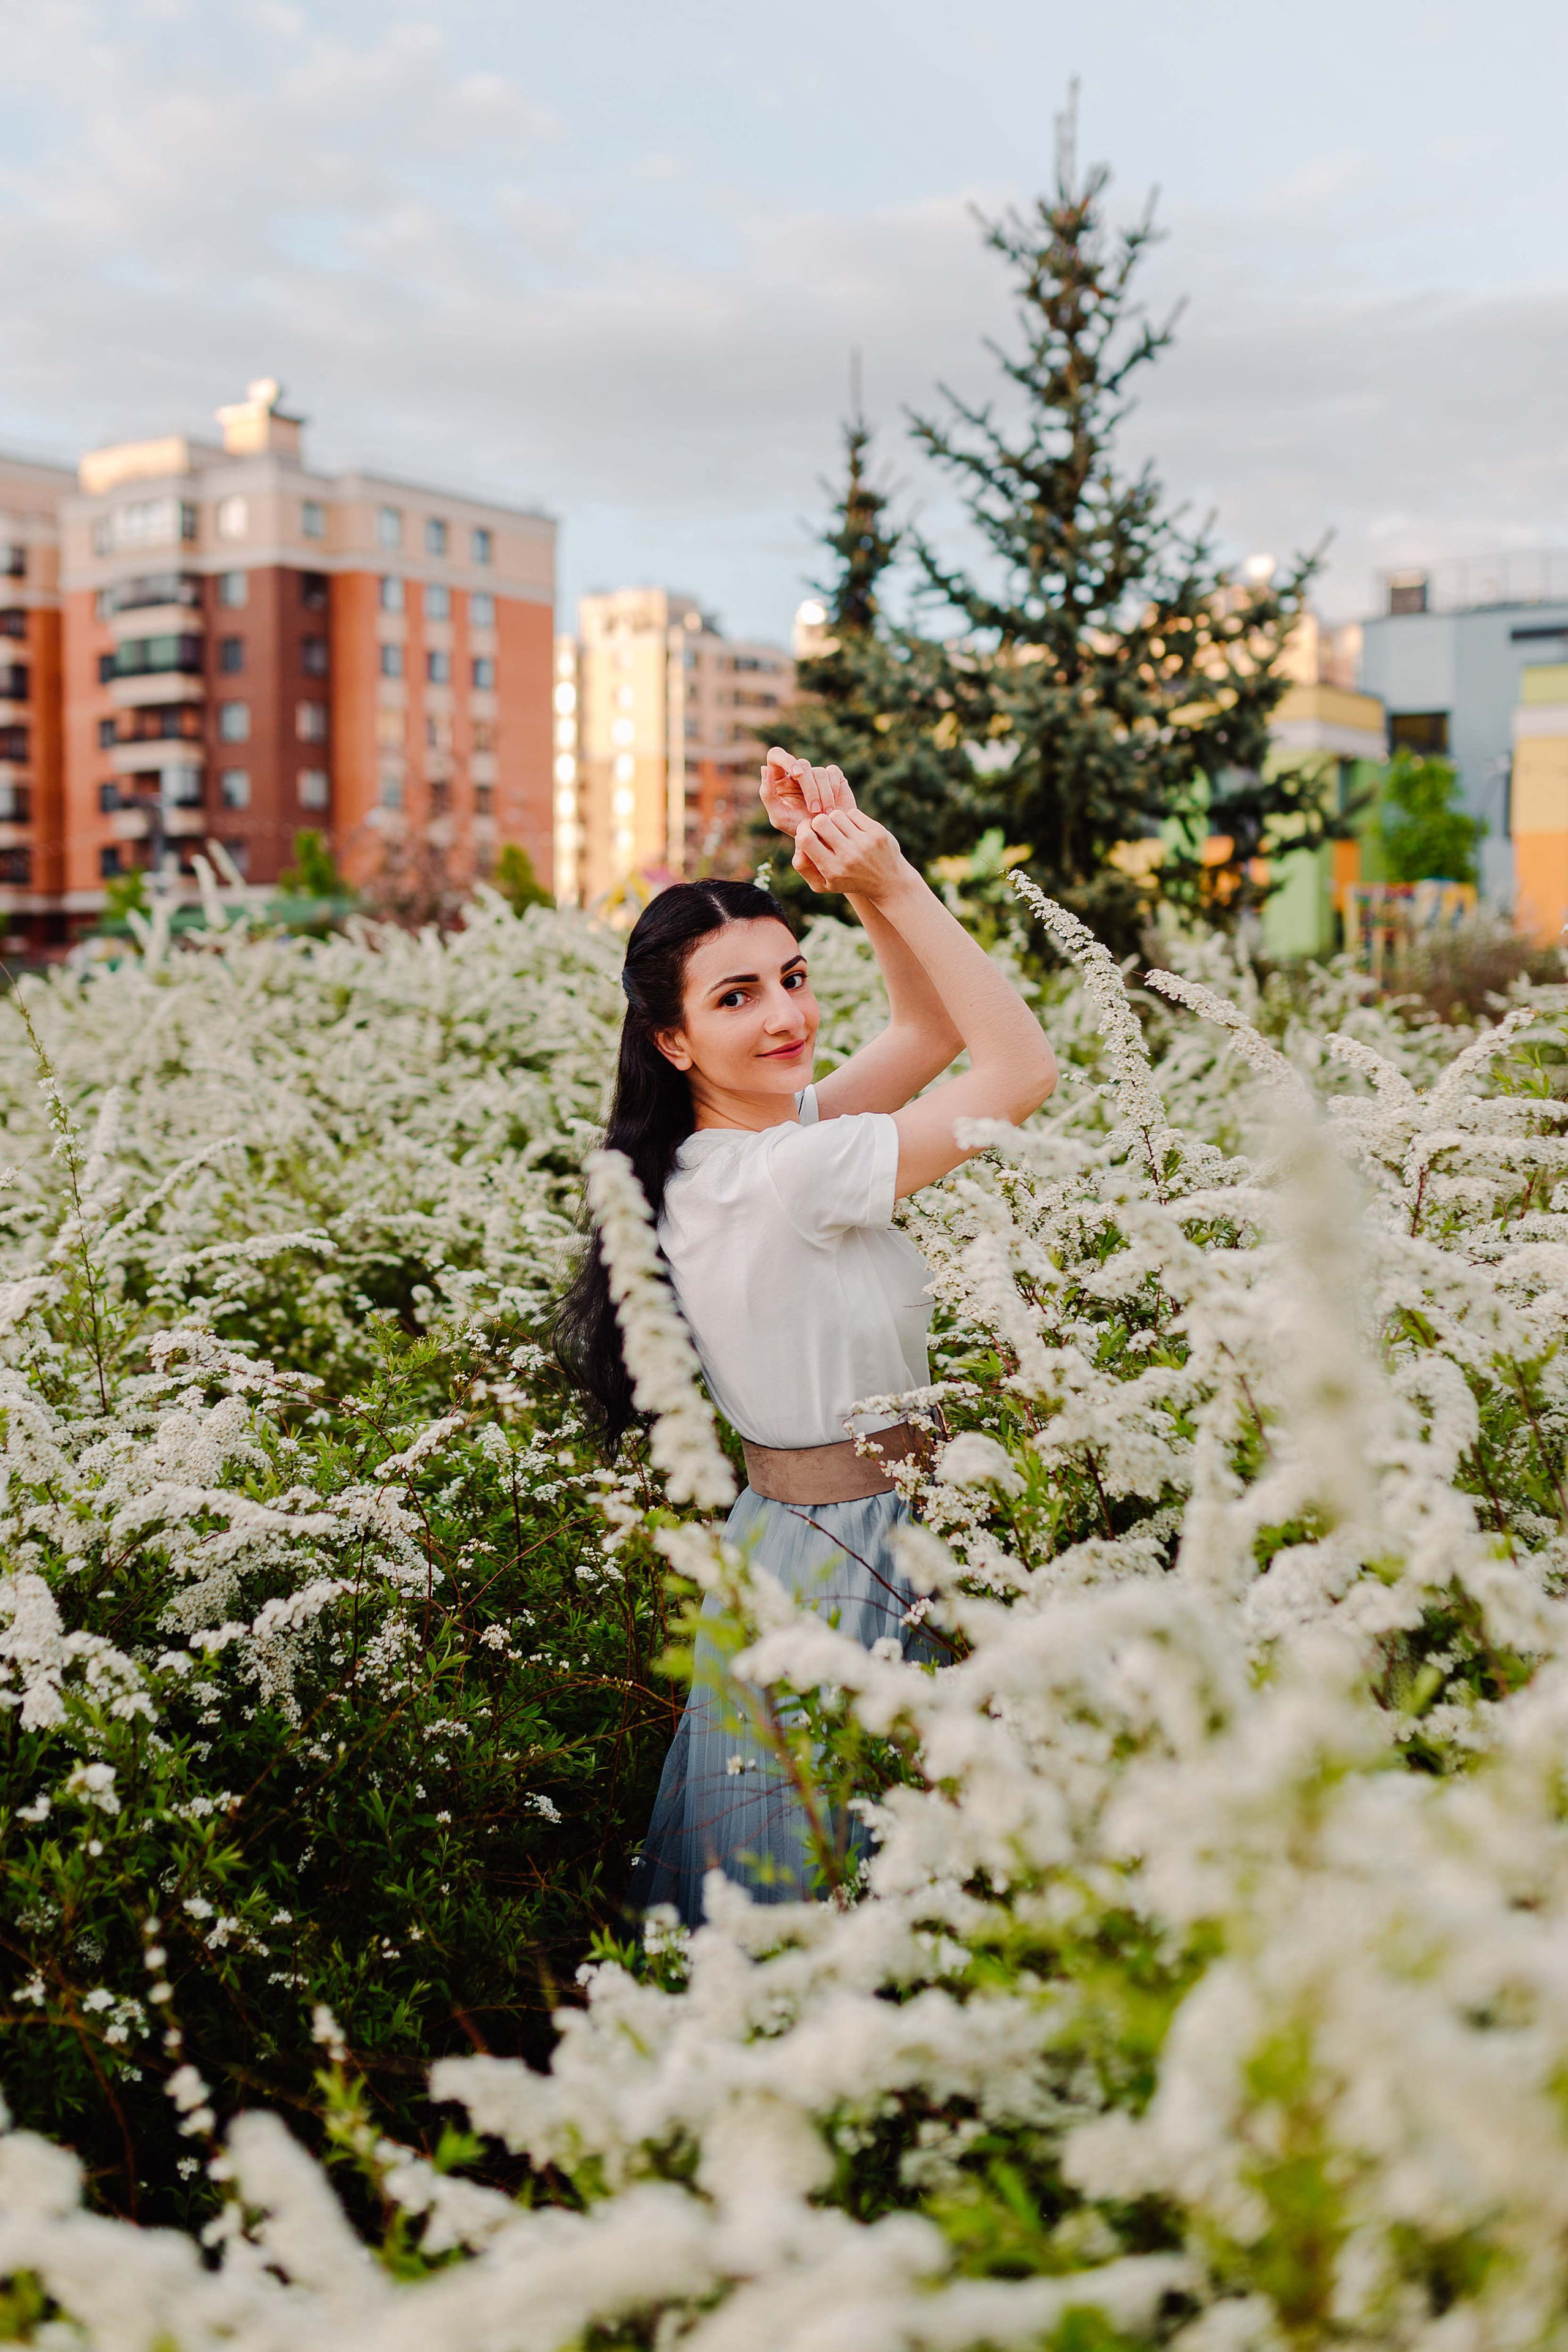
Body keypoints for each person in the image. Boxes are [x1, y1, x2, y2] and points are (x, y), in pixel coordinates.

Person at [554, 753, 1056, 1924]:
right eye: (736, 998)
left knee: (834, 1880)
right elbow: (1021, 1069)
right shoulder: (789, 1170)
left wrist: (857, 868)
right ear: (673, 1041)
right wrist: (896, 879)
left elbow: (926, 1027)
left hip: (807, 1540)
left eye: (793, 977)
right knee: (852, 1889)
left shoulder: (732, 1154)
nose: (786, 1016)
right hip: (859, 1552)